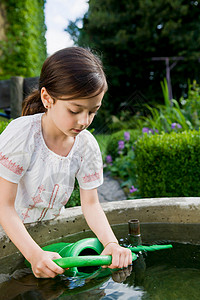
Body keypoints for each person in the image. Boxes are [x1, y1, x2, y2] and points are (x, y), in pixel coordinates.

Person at [0, 47, 132, 279]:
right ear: (47, 98)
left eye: (93, 111)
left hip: (47, 234)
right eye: (75, 110)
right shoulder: (23, 136)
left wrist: (111, 243)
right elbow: (4, 206)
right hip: (6, 232)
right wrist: (33, 254)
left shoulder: (86, 146)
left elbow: (90, 204)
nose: (84, 121)